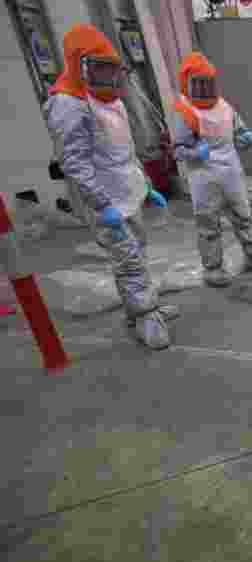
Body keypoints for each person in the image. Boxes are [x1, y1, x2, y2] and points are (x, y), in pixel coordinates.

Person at [43, 23, 177, 350]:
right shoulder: (70, 104)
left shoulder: (111, 100)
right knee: (127, 258)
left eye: (111, 66)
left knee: (137, 253)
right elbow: (75, 163)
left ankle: (143, 308)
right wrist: (102, 205)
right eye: (99, 67)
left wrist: (145, 184)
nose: (110, 74)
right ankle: (145, 316)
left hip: (126, 191)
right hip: (104, 199)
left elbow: (123, 150)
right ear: (80, 66)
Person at [172, 52, 252, 288]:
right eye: (198, 83)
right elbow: (177, 150)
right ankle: (213, 268)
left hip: (231, 171)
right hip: (204, 176)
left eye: (208, 83)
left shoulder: (224, 107)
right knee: (209, 223)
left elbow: (238, 132)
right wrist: (194, 153)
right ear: (187, 84)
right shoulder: (186, 111)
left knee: (244, 215)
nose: (204, 89)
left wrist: (246, 137)